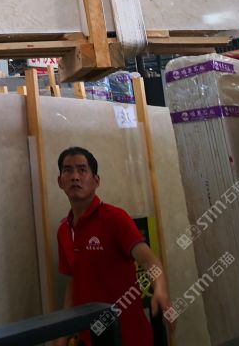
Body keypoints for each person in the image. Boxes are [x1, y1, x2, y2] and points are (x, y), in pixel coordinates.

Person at [53, 146, 173, 346]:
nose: (75, 177)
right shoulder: (63, 230)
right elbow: (73, 282)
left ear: (96, 181)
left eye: (82, 170)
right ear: (60, 182)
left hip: (129, 336)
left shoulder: (115, 218)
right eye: (68, 170)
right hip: (89, 337)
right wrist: (63, 334)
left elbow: (149, 260)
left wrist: (160, 289)